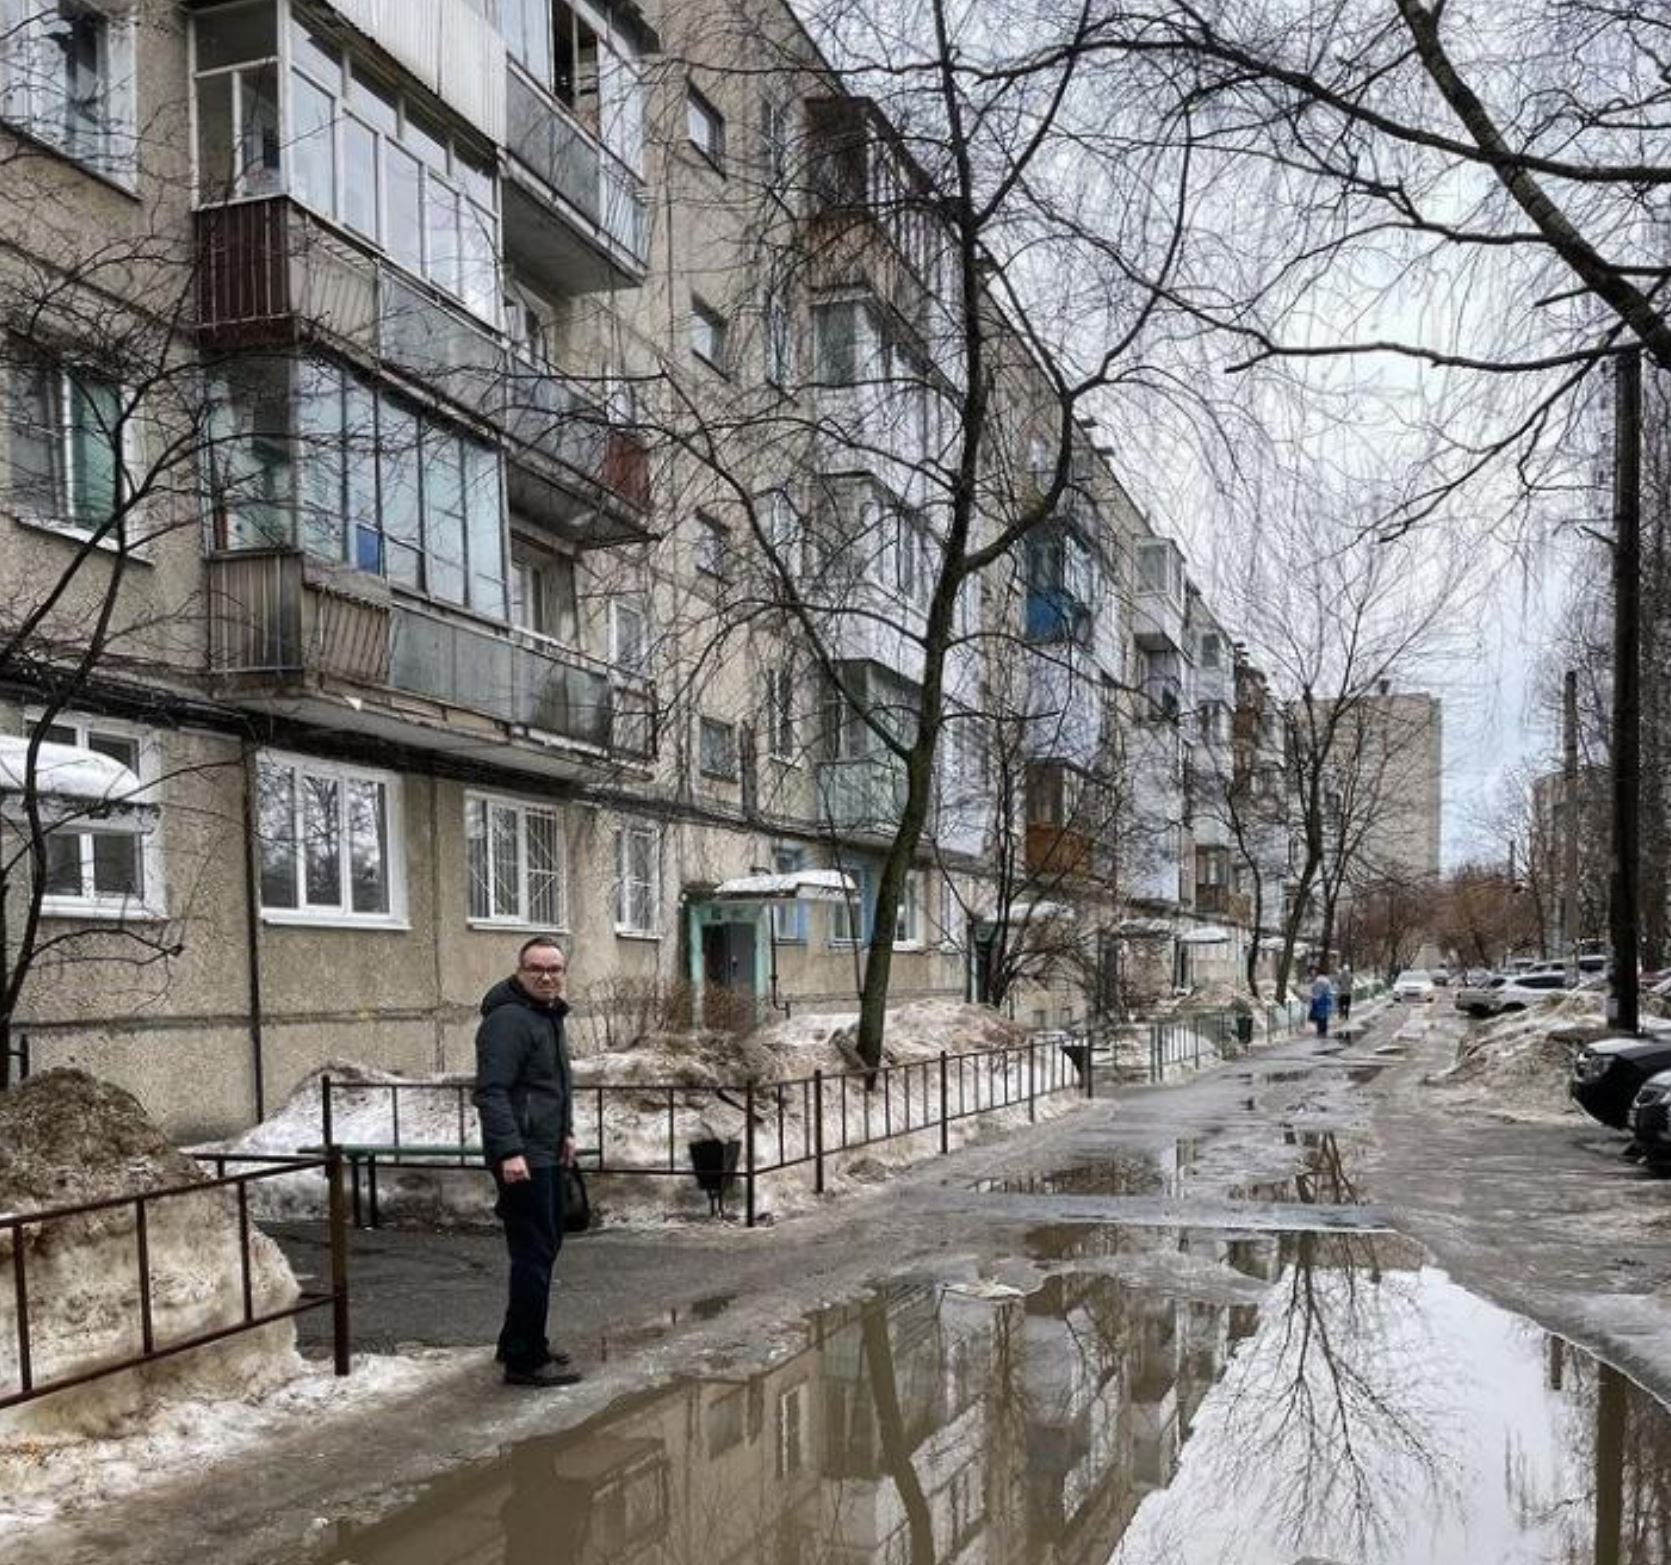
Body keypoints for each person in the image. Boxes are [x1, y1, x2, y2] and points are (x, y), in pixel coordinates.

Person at [474, 935, 582, 1388]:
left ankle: (518, 1340)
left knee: (543, 1248)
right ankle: (524, 1360)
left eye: (554, 969)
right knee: (533, 1255)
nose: (546, 976)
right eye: (536, 968)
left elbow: (553, 1086)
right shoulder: (509, 1020)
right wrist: (509, 1152)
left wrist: (567, 1132)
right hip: (523, 1157)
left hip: (546, 1149)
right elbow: (492, 1091)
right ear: (520, 972)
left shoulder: (546, 1015)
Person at [1308, 968, 1335, 1038]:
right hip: (1325, 1000)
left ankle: (1319, 1030)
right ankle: (1324, 1030)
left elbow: (1313, 990)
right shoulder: (1327, 981)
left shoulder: (1316, 981)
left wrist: (1314, 998)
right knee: (1325, 1017)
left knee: (1319, 1016)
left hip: (1317, 1001)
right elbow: (1330, 991)